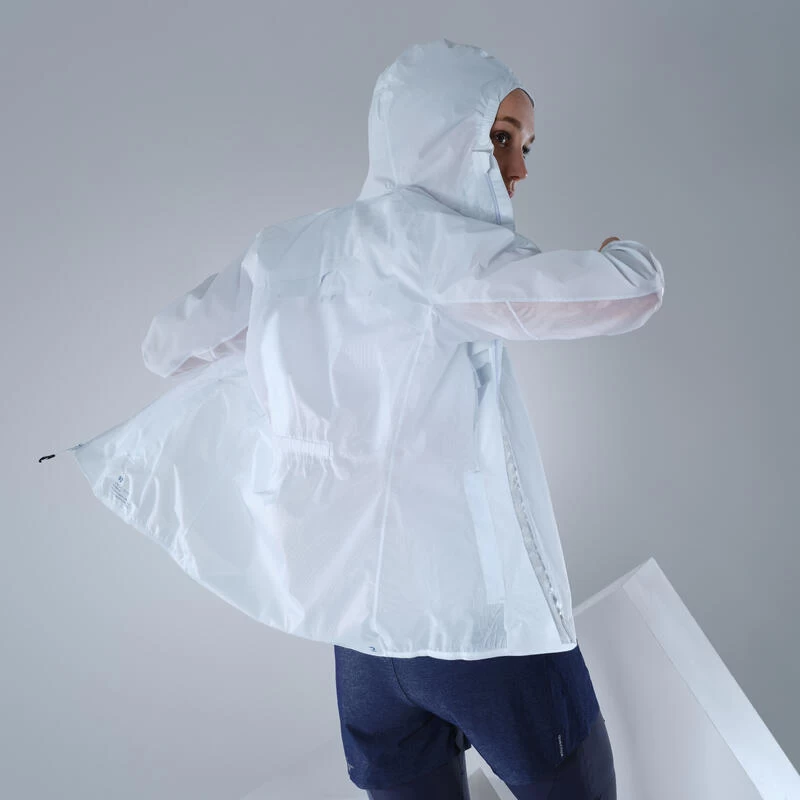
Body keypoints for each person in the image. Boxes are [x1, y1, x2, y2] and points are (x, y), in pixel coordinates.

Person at [44, 37, 662, 800]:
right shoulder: (438, 249)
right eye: (502, 138)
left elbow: (168, 346)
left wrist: (283, 328)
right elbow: (625, 292)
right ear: (439, 135)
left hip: (361, 640)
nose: (519, 170)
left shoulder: (288, 248)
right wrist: (625, 250)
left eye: (526, 146)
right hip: (473, 624)